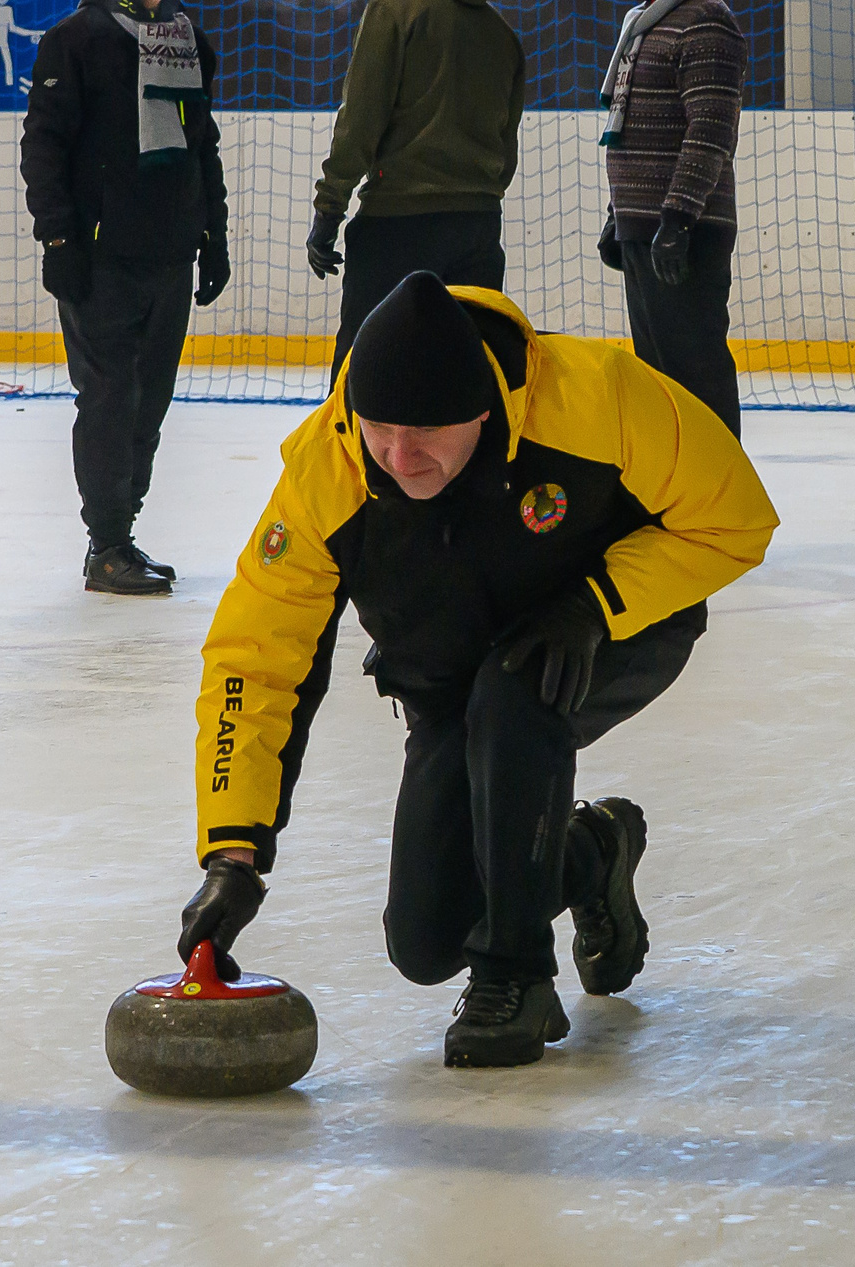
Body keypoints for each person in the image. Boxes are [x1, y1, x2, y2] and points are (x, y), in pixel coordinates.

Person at [175, 273, 776, 1067]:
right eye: (379, 427)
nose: (398, 455)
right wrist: (233, 851)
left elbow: (735, 516)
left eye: (424, 431)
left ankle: (515, 978)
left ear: (484, 413)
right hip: (449, 677)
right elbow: (257, 654)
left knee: (515, 691)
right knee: (425, 939)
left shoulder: (600, 401)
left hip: (610, 631)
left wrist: (595, 604)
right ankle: (591, 851)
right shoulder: (332, 467)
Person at [20, 0, 232, 595]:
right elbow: (43, 150)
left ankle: (122, 530)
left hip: (169, 256)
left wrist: (213, 234)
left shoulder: (188, 41)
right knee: (110, 398)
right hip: (100, 260)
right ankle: (106, 542)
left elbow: (201, 148)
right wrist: (58, 237)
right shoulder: (75, 40)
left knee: (150, 402)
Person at [308, 0, 525, 377]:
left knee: (368, 372)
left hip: (398, 226)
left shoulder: (393, 9)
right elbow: (506, 141)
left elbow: (360, 120)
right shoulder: (500, 31)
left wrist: (329, 208)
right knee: (464, 374)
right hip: (479, 228)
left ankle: (360, 456)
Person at [595, 0, 747, 437]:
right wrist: (622, 218)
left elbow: (709, 134)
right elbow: (631, 128)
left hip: (683, 232)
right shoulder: (650, 24)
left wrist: (676, 221)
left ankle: (720, 500)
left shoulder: (706, 23)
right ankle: (678, 495)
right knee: (660, 381)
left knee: (694, 375)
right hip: (649, 228)